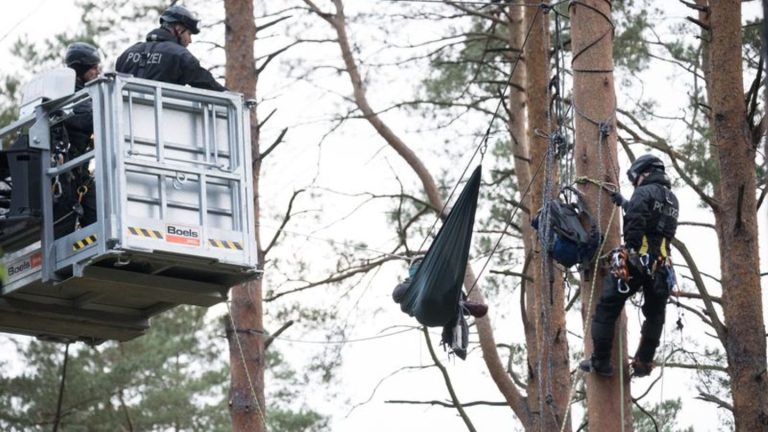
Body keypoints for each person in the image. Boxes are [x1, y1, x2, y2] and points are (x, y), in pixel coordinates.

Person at [579, 154, 679, 378]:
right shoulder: (672, 199)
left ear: (645, 173)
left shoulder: (643, 192)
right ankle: (644, 361)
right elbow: (655, 222)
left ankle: (600, 361)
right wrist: (625, 203)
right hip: (662, 266)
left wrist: (630, 250)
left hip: (638, 261)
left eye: (636, 179)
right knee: (655, 315)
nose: (636, 183)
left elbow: (636, 223)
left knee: (607, 305)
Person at [115, 5, 226, 91]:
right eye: (189, 34)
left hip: (125, 118)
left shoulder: (126, 54)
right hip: (164, 118)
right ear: (178, 28)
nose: (190, 40)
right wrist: (231, 96)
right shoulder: (180, 55)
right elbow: (206, 83)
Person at [55, 42, 101, 235]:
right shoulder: (73, 95)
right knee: (64, 232)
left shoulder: (82, 94)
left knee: (98, 218)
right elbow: (89, 120)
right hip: (66, 179)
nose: (98, 71)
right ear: (81, 69)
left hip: (79, 176)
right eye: (93, 68)